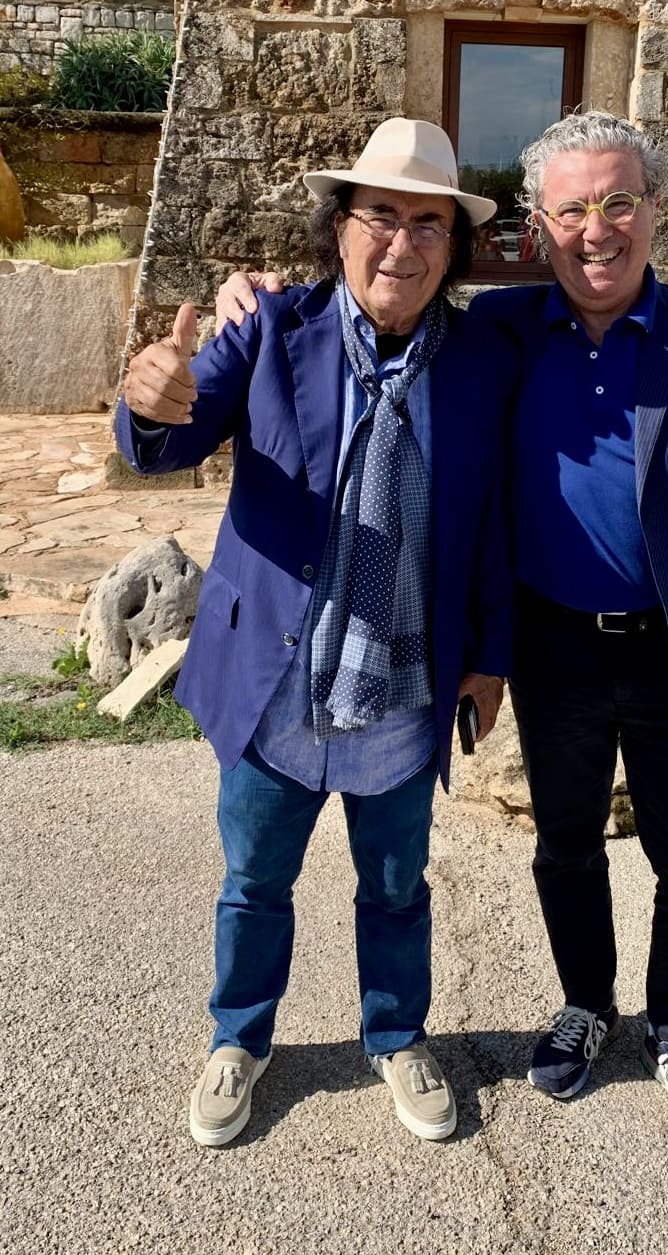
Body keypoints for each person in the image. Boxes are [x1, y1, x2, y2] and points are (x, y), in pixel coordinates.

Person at [215, 111, 668, 1147]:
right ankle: (585, 1004)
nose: (597, 229)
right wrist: (253, 298)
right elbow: (370, 321)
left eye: (619, 201)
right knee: (565, 846)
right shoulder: (496, 328)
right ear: (536, 228)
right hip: (554, 646)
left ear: (656, 209)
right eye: (571, 209)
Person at [117, 117, 516, 1147]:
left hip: (405, 683)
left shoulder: (481, 360)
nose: (401, 244)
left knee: (396, 887)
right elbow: (169, 436)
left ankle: (396, 1034)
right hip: (276, 684)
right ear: (339, 227)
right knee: (256, 883)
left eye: (428, 224)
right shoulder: (269, 327)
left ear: (453, 248)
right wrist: (150, 402)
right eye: (380, 215)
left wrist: (489, 657)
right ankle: (238, 1037)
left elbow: (493, 519)